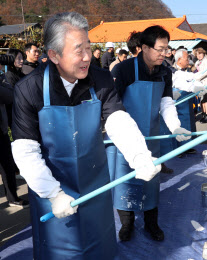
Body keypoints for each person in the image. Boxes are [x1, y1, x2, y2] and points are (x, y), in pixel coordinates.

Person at [11, 12, 161, 259]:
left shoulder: (99, 79)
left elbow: (117, 119)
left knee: (98, 245)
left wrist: (139, 155)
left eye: (89, 49)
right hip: (53, 187)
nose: (87, 57)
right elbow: (25, 149)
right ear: (54, 55)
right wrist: (52, 193)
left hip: (95, 185)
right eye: (78, 50)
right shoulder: (30, 89)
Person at [110, 25, 191, 242]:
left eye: (167, 49)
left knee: (151, 182)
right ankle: (127, 224)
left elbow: (165, 103)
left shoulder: (164, 71)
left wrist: (175, 126)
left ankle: (151, 223)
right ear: (144, 48)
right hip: (125, 139)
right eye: (160, 49)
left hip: (151, 136)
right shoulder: (124, 70)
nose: (165, 54)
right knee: (124, 180)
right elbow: (112, 106)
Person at [0, 64, 29, 208]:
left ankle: (12, 198)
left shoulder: (1, 76)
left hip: (2, 130)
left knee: (8, 165)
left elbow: (10, 96)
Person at [169, 48, 207, 155]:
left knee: (190, 121)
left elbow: (192, 78)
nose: (188, 61)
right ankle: (180, 148)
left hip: (188, 101)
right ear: (179, 59)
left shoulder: (187, 70)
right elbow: (179, 82)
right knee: (180, 123)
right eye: (186, 59)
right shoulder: (173, 71)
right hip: (178, 101)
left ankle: (189, 144)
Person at [5, 48, 25, 127]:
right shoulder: (9, 76)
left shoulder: (21, 74)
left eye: (22, 58)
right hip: (14, 115)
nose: (22, 60)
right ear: (11, 59)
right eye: (19, 58)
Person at [195, 47, 207, 123]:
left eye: (200, 53)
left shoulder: (206, 61)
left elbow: (205, 73)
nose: (199, 55)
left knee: (206, 100)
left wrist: (197, 78)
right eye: (197, 54)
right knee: (201, 100)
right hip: (200, 84)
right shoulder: (197, 62)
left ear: (203, 53)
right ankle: (203, 114)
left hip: (206, 83)